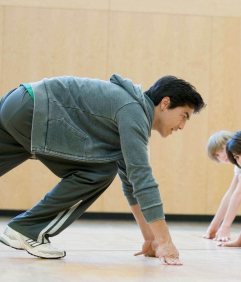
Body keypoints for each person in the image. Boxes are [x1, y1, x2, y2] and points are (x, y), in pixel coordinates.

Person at [0, 74, 206, 265]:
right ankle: (26, 229)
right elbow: (142, 179)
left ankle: (26, 228)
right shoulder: (134, 111)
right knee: (98, 172)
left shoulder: (130, 109)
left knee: (104, 167)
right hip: (37, 110)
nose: (182, 126)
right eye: (184, 116)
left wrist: (151, 240)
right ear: (165, 103)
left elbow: (132, 184)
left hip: (18, 102)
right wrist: (166, 244)